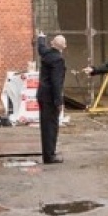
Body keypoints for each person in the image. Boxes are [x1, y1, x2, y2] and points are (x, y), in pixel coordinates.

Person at [35, 32, 68, 164]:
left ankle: (48, 153)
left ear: (52, 43)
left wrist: (41, 38)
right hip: (50, 97)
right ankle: (49, 156)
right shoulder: (58, 60)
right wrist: (58, 101)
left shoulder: (46, 54)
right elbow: (56, 82)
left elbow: (41, 48)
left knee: (45, 125)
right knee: (51, 126)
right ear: (64, 46)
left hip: (42, 94)